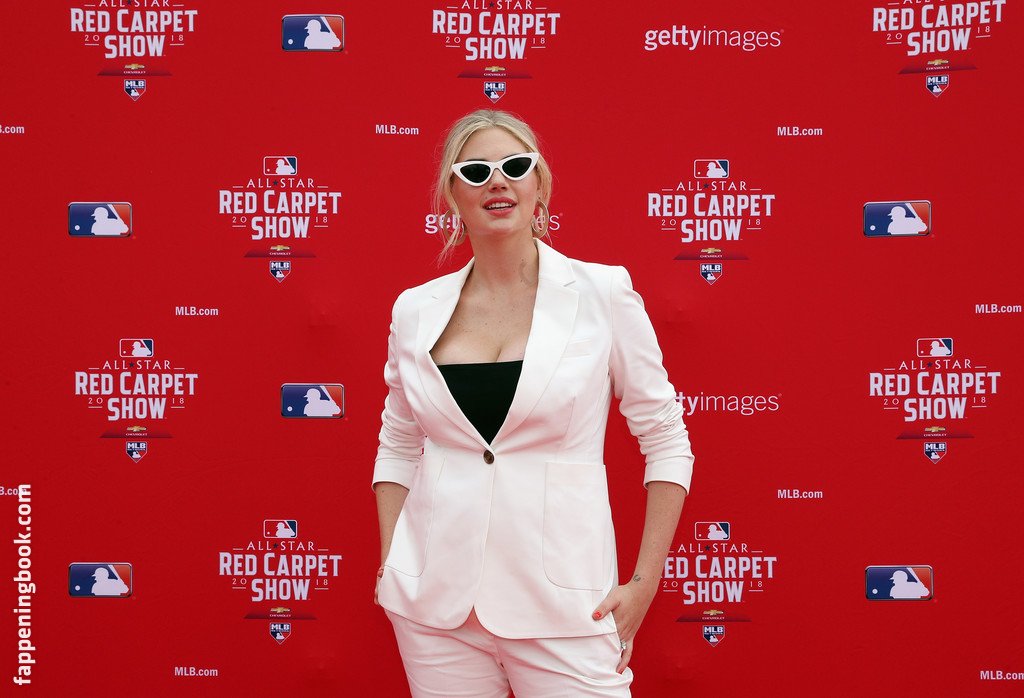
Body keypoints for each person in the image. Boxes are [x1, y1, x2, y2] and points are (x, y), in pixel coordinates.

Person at [372, 109, 695, 697]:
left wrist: (645, 582)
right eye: (475, 171)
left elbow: (666, 437)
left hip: (566, 606)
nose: (498, 181)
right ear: (451, 193)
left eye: (516, 166)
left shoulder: (601, 293)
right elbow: (397, 441)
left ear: (540, 184)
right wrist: (394, 559)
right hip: (436, 610)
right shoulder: (415, 309)